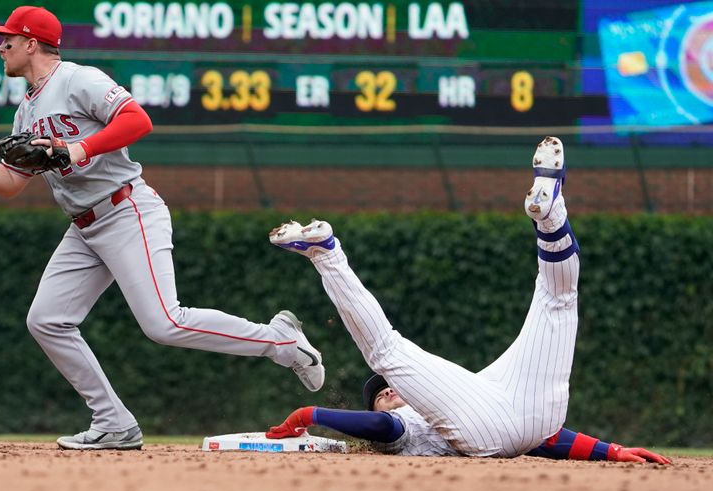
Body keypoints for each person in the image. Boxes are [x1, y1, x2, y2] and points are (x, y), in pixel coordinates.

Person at [0, 5, 323, 451]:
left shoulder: (77, 79)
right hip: (83, 228)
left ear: (31, 43)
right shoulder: (25, 112)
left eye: (7, 38)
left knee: (164, 323)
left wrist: (76, 149)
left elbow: (138, 119)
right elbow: (10, 184)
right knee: (47, 320)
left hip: (127, 211)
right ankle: (113, 422)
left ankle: (280, 341)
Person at [264, 137, 670, 465]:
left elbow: (545, 439)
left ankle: (550, 212)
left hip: (525, 409)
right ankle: (326, 253)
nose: (385, 393)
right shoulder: (399, 424)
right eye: (379, 396)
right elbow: (381, 429)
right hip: (485, 430)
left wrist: (613, 451)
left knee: (558, 297)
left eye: (385, 391)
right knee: (387, 350)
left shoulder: (455, 394)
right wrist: (311, 415)